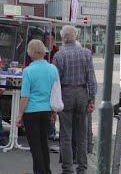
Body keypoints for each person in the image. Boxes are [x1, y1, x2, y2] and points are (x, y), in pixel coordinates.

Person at [53, 25, 97, 174]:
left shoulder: (59, 56)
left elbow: (55, 81)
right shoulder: (86, 53)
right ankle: (82, 168)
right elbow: (91, 79)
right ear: (76, 36)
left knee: (65, 134)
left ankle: (67, 169)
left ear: (63, 38)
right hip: (82, 93)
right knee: (82, 134)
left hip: (65, 93)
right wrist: (92, 99)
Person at [16, 39, 57, 174]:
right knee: (44, 143)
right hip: (46, 110)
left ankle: (39, 171)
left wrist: (19, 114)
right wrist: (54, 112)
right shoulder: (52, 69)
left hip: (31, 111)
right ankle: (47, 170)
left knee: (35, 145)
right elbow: (55, 93)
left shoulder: (28, 71)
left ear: (31, 52)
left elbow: (25, 96)